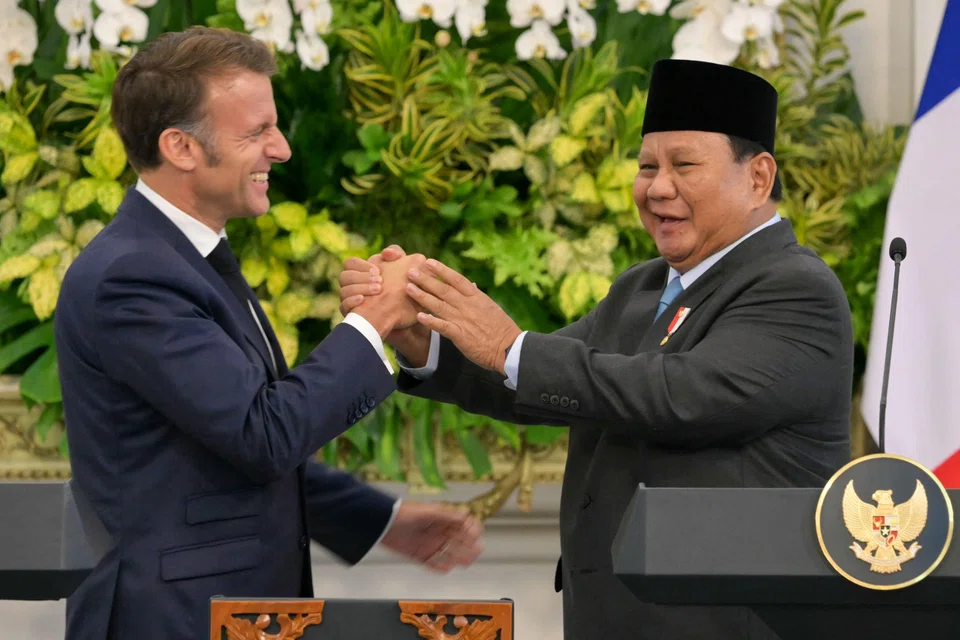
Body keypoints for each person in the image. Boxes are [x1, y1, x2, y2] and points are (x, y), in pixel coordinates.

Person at [338, 59, 854, 639]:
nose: (658, 188)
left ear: (758, 178)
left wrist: (508, 343)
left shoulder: (792, 287)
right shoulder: (643, 286)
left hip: (726, 623)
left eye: (683, 165)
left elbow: (678, 396)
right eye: (646, 167)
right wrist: (422, 337)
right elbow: (532, 386)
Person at [54, 26, 482, 640]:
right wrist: (375, 320)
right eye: (257, 131)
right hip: (172, 621)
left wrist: (380, 521)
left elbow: (218, 451)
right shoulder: (132, 277)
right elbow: (264, 434)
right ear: (180, 146)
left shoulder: (184, 257)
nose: (280, 149)